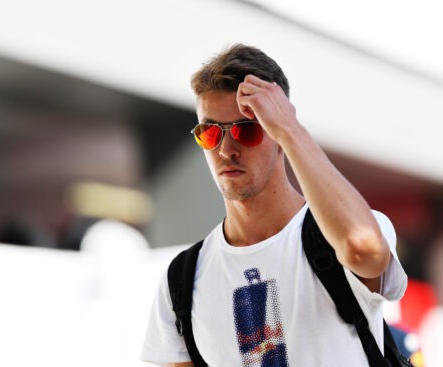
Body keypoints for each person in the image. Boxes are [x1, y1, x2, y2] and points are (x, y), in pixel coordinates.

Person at [140, 44, 407, 366]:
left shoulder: (343, 232)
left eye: (246, 129)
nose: (226, 149)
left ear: (277, 129)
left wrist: (291, 129)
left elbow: (362, 248)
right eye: (209, 132)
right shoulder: (182, 278)